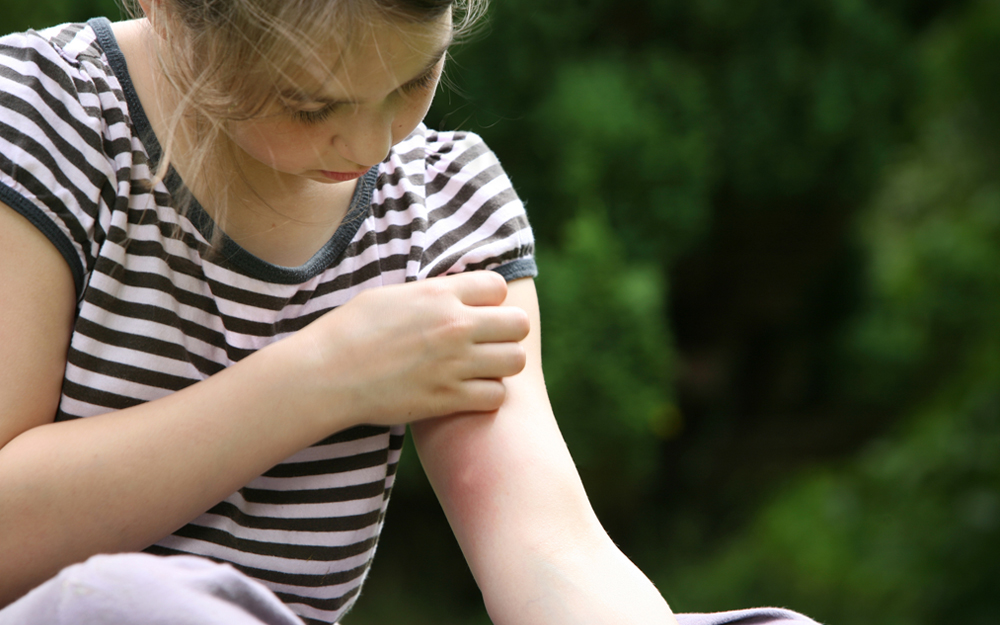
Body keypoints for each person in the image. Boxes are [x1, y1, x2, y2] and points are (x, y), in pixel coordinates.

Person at [0, 0, 820, 623]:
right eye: (309, 106)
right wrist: (325, 377)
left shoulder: (448, 206)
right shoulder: (45, 114)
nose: (371, 144)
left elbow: (545, 549)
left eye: (411, 82)